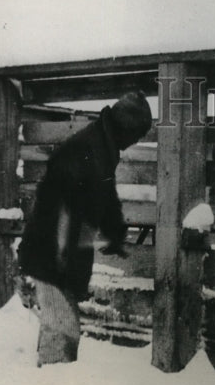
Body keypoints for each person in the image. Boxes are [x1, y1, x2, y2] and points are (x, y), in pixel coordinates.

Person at [18, 91, 152, 366]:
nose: (136, 141)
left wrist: (114, 231)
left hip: (61, 253)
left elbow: (104, 195)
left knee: (61, 324)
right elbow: (59, 206)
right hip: (52, 253)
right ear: (125, 127)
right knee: (63, 327)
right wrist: (61, 259)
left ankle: (51, 382)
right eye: (137, 135)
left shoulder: (103, 146)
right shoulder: (87, 148)